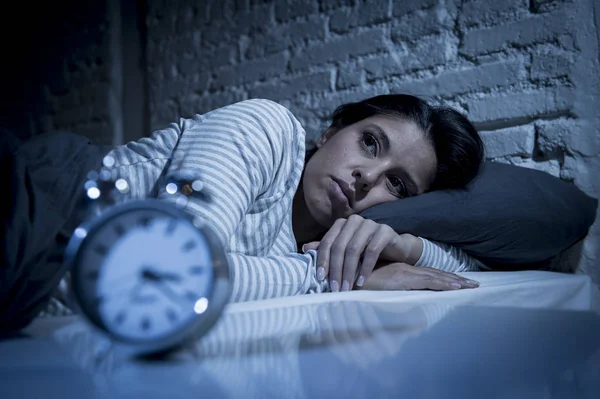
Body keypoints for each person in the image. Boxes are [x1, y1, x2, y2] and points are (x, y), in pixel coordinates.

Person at [1, 94, 484, 330]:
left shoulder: (347, 236)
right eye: (369, 142)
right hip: (46, 201)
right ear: (330, 131)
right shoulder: (267, 130)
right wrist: (332, 275)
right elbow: (169, 272)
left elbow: (471, 264)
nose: (366, 177)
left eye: (397, 185)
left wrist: (403, 244)